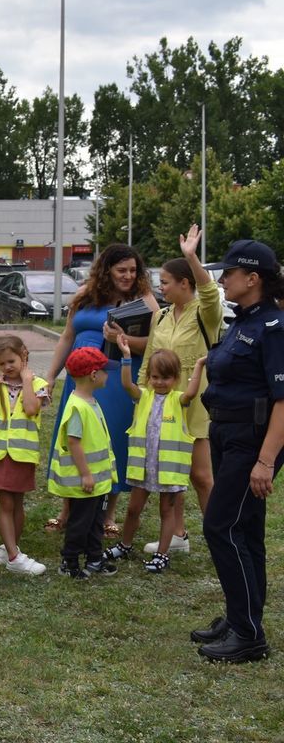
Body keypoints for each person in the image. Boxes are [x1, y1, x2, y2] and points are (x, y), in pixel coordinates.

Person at [191, 240, 284, 663]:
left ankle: (248, 635)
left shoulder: (273, 327)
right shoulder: (242, 321)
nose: (222, 278)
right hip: (227, 433)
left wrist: (266, 462)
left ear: (253, 280)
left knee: (221, 525)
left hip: (252, 440)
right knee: (244, 530)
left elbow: (282, 401)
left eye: (229, 273)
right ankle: (241, 617)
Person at [45, 244, 159, 534]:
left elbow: (158, 342)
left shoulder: (143, 299)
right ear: (106, 269)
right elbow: (67, 337)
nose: (128, 276)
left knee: (111, 442)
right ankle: (68, 508)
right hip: (78, 378)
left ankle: (108, 513)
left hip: (114, 378)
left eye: (133, 270)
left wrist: (124, 339)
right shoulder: (85, 294)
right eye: (122, 270)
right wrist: (48, 378)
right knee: (75, 436)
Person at [137, 225, 220, 554]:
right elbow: (149, 363)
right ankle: (177, 537)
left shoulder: (206, 313)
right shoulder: (160, 317)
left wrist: (191, 257)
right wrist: (144, 401)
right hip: (162, 405)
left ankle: (220, 537)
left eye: (166, 283)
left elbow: (210, 292)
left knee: (201, 476)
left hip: (196, 402)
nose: (162, 289)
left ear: (185, 284)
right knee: (170, 474)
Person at [106, 341, 205, 573]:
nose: (160, 382)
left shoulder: (179, 400)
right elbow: (126, 384)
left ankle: (163, 554)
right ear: (149, 377)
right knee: (133, 509)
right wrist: (127, 357)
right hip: (144, 468)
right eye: (155, 377)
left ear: (176, 378)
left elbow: (192, 391)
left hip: (168, 471)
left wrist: (200, 365)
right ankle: (126, 544)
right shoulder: (144, 397)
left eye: (166, 378)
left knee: (166, 511)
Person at [0, 336, 50, 576]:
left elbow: (31, 409)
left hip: (23, 453)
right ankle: (12, 555)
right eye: (2, 364)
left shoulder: (39, 383)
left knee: (17, 503)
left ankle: (10, 548)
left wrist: (27, 381)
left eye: (11, 361)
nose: (7, 367)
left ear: (24, 355)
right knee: (5, 503)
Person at [49, 348, 119, 580]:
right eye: (104, 371)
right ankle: (69, 562)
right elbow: (74, 442)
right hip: (85, 482)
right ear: (93, 375)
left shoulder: (90, 401)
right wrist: (86, 474)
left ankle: (94, 558)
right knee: (80, 523)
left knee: (96, 521)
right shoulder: (78, 406)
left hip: (97, 481)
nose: (107, 375)